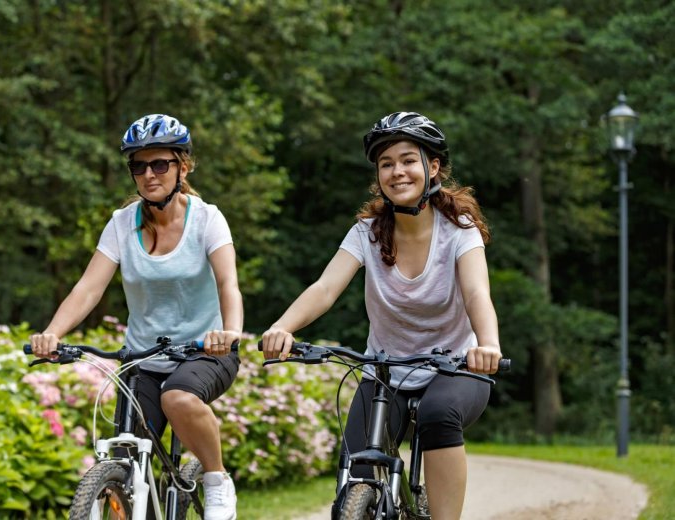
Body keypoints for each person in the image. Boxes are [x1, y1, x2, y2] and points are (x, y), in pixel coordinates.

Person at [261, 111, 502, 520]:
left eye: (408, 160)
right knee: (357, 467)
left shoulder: (459, 230)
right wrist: (283, 326)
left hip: (457, 367)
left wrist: (489, 344)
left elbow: (477, 292)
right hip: (386, 370)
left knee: (437, 415)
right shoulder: (367, 232)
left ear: (434, 166)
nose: (397, 171)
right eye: (386, 163)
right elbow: (325, 288)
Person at [30, 113, 242, 520]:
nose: (148, 174)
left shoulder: (207, 219)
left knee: (178, 396)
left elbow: (227, 283)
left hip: (206, 352)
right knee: (128, 454)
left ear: (184, 166)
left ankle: (216, 480)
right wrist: (52, 333)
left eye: (159, 163)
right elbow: (88, 289)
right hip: (143, 357)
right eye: (138, 166)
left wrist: (229, 331)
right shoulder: (121, 224)